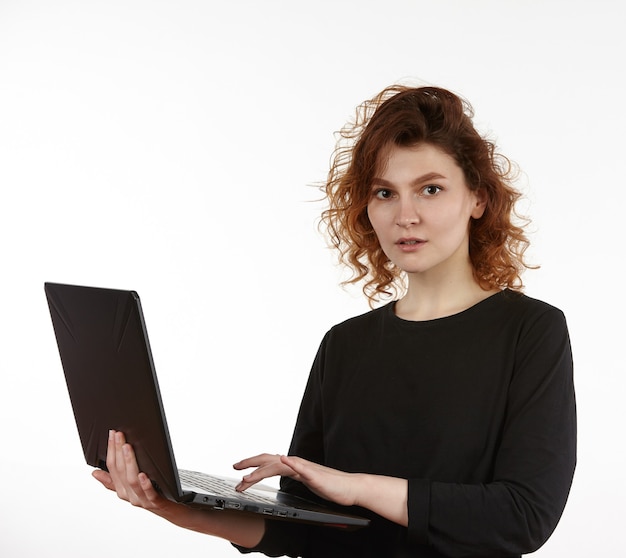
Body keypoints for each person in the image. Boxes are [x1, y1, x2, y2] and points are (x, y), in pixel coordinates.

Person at [93, 85, 576, 557]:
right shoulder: (345, 345)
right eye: (385, 193)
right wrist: (172, 504)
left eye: (430, 189)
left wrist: (357, 487)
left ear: (479, 199)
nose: (405, 215)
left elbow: (523, 517)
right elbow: (302, 527)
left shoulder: (530, 332)